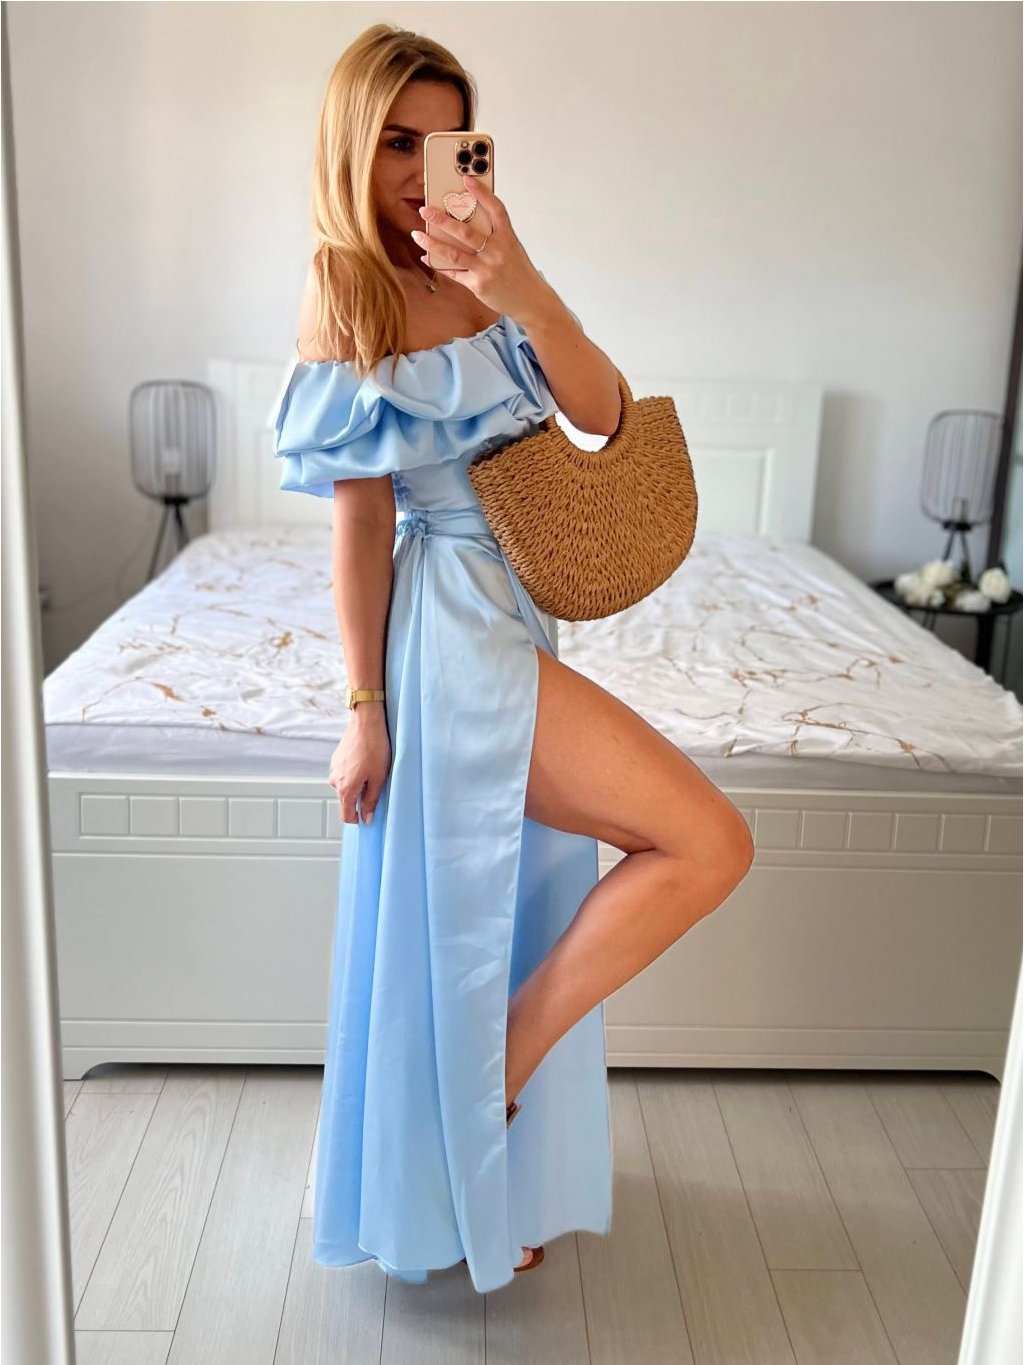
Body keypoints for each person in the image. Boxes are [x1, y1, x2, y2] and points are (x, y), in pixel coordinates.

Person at [271, 23, 754, 1294]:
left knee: (505, 905)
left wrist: (520, 281)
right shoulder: (345, 288)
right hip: (448, 631)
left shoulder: (487, 270)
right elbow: (361, 523)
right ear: (350, 144)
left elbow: (601, 417)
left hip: (513, 614)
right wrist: (362, 707)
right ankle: (494, 1071)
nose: (416, 170)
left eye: (442, 142)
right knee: (707, 842)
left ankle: (481, 1184)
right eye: (394, 142)